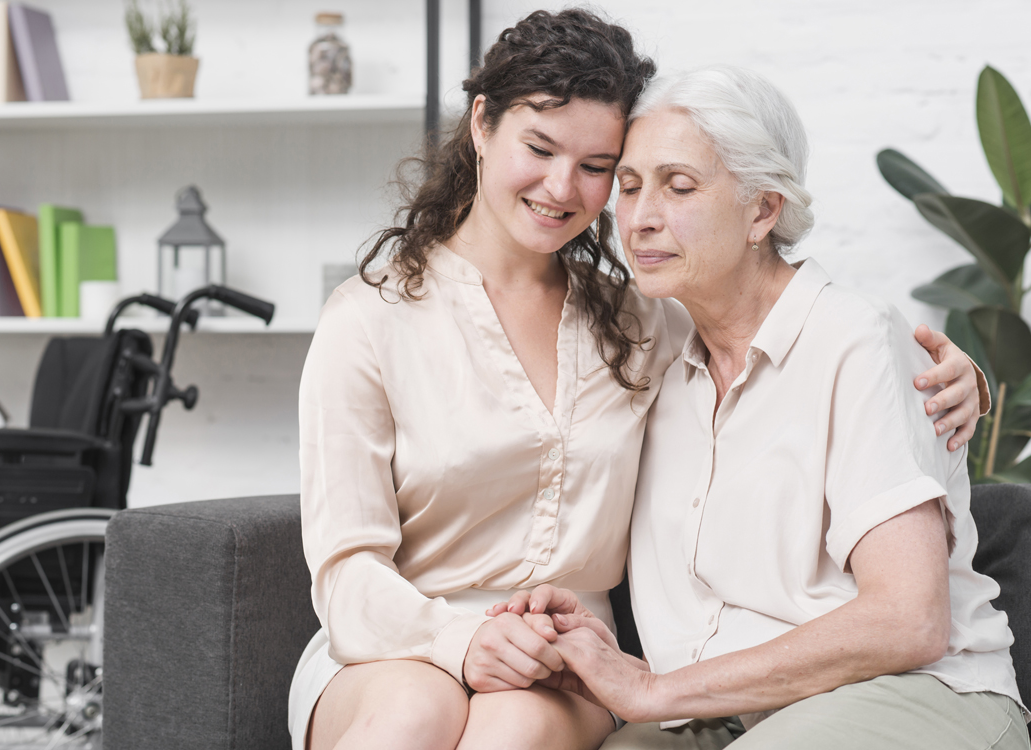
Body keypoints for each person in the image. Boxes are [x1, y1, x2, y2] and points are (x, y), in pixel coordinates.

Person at [292, 11, 986, 749]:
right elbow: (345, 568)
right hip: (394, 639)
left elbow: (776, 335)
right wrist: (459, 642)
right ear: (482, 126)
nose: (563, 187)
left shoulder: (643, 318)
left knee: (515, 729)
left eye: (597, 168)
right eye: (539, 147)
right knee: (409, 718)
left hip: (566, 653)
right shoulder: (367, 319)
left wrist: (957, 374)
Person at [498, 65, 1027, 750]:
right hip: (733, 714)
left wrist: (652, 689)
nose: (641, 217)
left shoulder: (853, 339)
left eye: (679, 185)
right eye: (629, 186)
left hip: (917, 697)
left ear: (763, 210)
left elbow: (908, 620)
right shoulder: (650, 350)